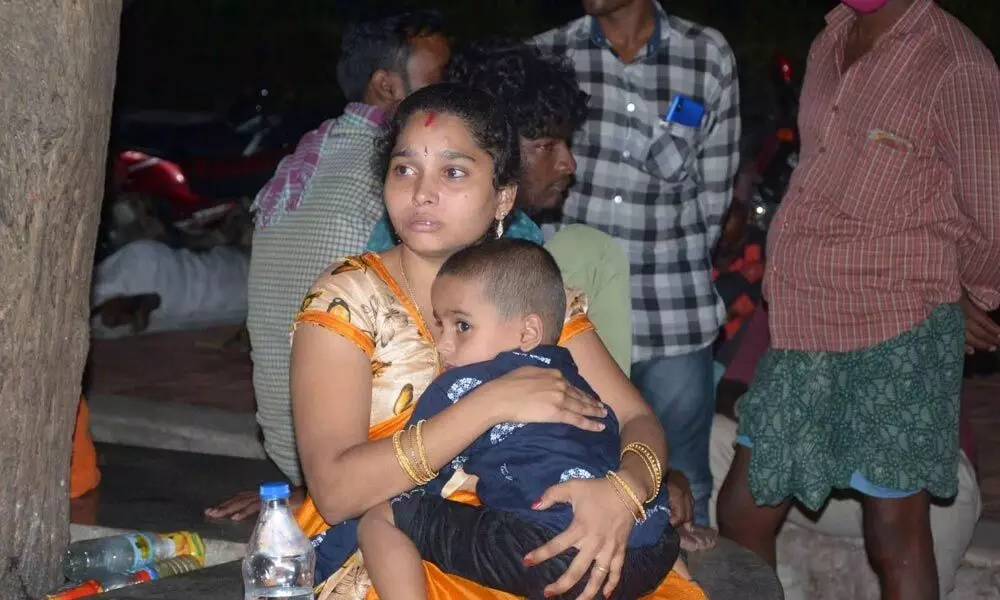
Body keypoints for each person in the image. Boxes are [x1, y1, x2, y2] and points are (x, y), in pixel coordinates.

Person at [291, 83, 703, 599]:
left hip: (532, 527)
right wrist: (486, 404)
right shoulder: (347, 299)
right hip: (391, 549)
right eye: (404, 169)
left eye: (454, 171)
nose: (422, 192)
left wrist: (625, 491)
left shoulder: (529, 299)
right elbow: (333, 492)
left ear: (503, 196)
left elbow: (636, 419)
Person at [716, 1, 1000, 598]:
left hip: (897, 326)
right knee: (743, 511)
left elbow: (991, 210)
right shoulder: (831, 39)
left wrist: (968, 292)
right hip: (805, 326)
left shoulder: (958, 64)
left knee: (894, 530)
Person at [355, 239, 683, 600]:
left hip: (556, 552)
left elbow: (413, 479)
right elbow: (630, 424)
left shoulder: (462, 384)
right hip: (649, 548)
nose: (443, 345)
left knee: (384, 515)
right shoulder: (573, 375)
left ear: (528, 332)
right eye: (440, 327)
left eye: (461, 326)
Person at [220, 11, 450, 507]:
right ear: (388, 87)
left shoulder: (309, 156)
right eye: (440, 82)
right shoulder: (399, 181)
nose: (453, 96)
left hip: (289, 448)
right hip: (352, 462)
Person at [535, 0, 741, 527]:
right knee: (573, 475)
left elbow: (713, 197)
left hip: (672, 315)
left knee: (684, 484)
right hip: (578, 323)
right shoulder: (550, 53)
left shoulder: (706, 55)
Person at [366, 39, 635, 375]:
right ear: (503, 149)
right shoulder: (382, 269)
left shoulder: (516, 237)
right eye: (546, 145)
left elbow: (624, 413)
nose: (568, 163)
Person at [709, 309, 982, 597]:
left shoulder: (912, 297)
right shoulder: (793, 297)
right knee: (718, 439)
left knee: (935, 498)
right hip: (812, 483)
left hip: (910, 491)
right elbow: (729, 389)